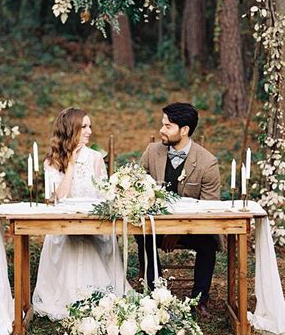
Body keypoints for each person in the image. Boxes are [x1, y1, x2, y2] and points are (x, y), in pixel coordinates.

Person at [33, 107, 129, 320]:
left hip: (92, 224)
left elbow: (105, 196)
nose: (89, 131)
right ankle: (69, 298)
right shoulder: (51, 161)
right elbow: (56, 199)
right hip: (63, 225)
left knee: (88, 242)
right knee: (69, 240)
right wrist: (72, 165)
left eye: (89, 126)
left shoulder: (95, 158)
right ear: (70, 129)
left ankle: (97, 298)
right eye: (84, 126)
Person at [136, 102, 221, 318]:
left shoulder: (207, 163)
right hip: (155, 226)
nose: (161, 130)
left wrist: (178, 231)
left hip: (194, 229)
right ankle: (155, 295)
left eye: (168, 126)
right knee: (143, 236)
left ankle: (200, 300)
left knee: (209, 241)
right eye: (162, 124)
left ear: (184, 130)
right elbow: (137, 190)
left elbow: (208, 210)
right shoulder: (152, 152)